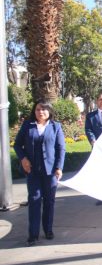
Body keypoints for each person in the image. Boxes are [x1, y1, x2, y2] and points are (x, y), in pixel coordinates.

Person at [14, 100, 66, 246]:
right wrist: (23, 158)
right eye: (37, 109)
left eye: (43, 109)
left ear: (49, 111)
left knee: (49, 201)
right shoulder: (27, 125)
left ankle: (48, 229)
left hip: (50, 172)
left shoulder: (56, 127)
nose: (40, 112)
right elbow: (18, 144)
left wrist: (59, 167)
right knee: (34, 199)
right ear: (34, 111)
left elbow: (61, 148)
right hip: (32, 171)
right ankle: (33, 234)